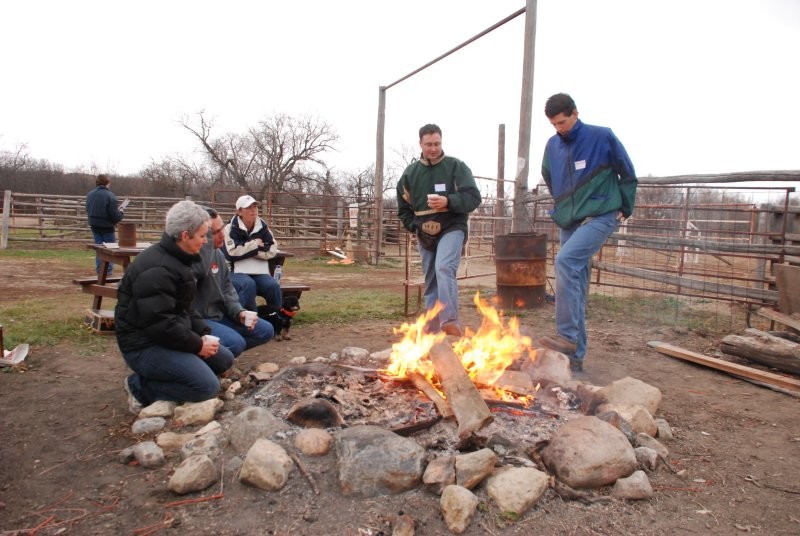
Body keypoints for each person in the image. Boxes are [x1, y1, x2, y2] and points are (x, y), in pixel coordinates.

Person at [536, 93, 638, 372]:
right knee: (576, 282)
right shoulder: (552, 146)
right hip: (571, 220)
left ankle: (567, 337)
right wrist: (564, 203)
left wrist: (624, 207)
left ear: (575, 113)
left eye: (563, 122)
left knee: (565, 262)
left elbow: (628, 173)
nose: (560, 128)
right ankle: (575, 359)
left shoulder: (601, 137)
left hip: (601, 214)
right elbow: (548, 175)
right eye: (554, 124)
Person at [115, 200, 235, 414]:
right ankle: (139, 387)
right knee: (206, 387)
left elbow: (186, 308)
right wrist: (197, 345)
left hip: (165, 335)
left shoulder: (181, 259)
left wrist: (203, 333)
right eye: (202, 236)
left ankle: (182, 372)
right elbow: (160, 325)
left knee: (224, 359)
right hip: (143, 345)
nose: (205, 241)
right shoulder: (158, 270)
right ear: (185, 235)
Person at [396, 123, 482, 337]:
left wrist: (448, 201)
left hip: (452, 225)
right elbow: (403, 208)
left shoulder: (456, 167)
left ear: (441, 142)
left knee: (444, 268)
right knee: (431, 277)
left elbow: (473, 198)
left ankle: (450, 322)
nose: (433, 148)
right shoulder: (410, 174)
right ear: (420, 144)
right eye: (429, 144)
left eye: (437, 143)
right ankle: (432, 328)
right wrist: (414, 226)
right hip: (424, 230)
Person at [193, 207, 274, 357]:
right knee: (235, 342)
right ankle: (207, 361)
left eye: (222, 229)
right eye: (215, 232)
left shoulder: (217, 255)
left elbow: (227, 289)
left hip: (219, 314)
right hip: (198, 320)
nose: (222, 235)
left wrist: (239, 312)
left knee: (265, 330)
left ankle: (220, 357)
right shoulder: (189, 259)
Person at [222, 195, 282, 312]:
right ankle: (250, 322)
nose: (253, 210)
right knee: (248, 284)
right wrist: (254, 245)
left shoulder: (263, 227)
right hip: (234, 271)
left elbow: (271, 250)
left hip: (259, 271)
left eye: (255, 206)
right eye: (248, 207)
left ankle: (277, 319)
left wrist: (246, 248)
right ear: (239, 211)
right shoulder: (230, 228)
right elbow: (231, 253)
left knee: (272, 286)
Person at [85, 173, 125, 275]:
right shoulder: (110, 196)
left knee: (99, 248)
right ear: (107, 183)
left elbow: (87, 209)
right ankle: (107, 271)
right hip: (107, 226)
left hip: (94, 225)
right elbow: (114, 216)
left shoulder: (90, 195)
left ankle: (100, 270)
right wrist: (120, 213)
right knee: (109, 249)